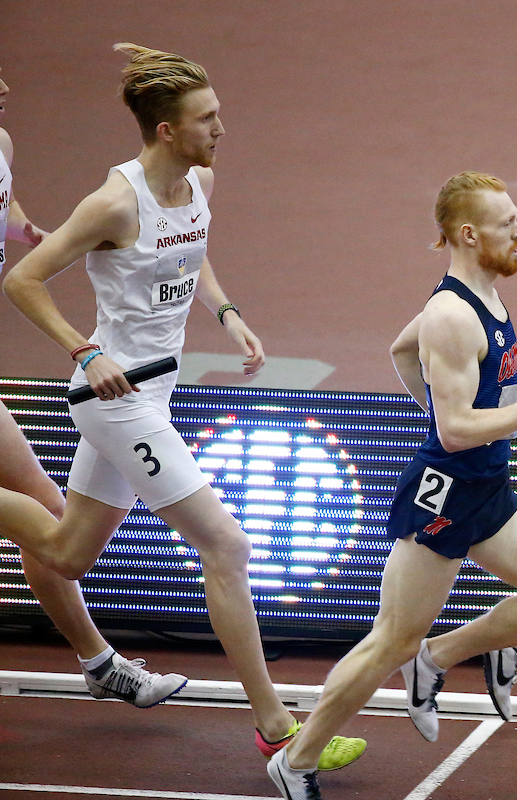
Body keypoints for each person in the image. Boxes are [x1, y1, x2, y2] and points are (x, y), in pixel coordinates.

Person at [0, 44, 364, 770]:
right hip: (114, 399)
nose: (221, 128)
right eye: (207, 118)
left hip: (154, 391)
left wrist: (228, 313)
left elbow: (191, 253)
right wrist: (85, 351)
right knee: (226, 545)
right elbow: (24, 279)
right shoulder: (113, 202)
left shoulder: (199, 181)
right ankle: (276, 725)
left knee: (69, 553)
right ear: (166, 130)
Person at [268, 172, 517, 798]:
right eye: (508, 222)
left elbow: (400, 351)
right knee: (390, 639)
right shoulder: (452, 314)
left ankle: (439, 657)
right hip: (444, 497)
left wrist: (466, 410)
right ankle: (296, 761)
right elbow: (451, 432)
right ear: (470, 234)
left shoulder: (485, 299)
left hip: (490, 489)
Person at [1, 63, 188, 708]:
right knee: (51, 528)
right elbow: (20, 281)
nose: (4, 88)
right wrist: (84, 348)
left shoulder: (0, 144)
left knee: (53, 528)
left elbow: (7, 205)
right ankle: (102, 662)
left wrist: (29, 233)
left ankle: (100, 664)